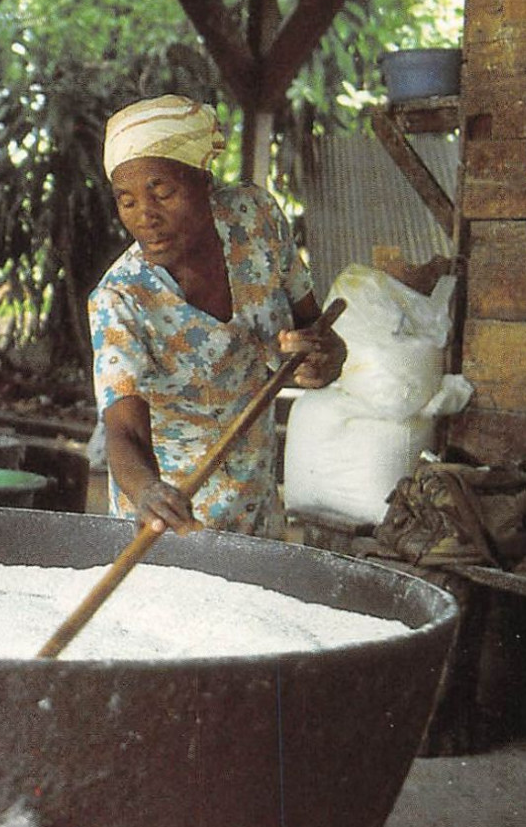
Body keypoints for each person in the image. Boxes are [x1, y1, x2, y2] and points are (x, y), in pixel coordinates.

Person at [88, 94, 345, 540]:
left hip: (257, 497)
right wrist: (148, 492)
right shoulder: (121, 299)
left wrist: (322, 359)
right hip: (172, 521)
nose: (145, 215)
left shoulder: (255, 218)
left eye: (162, 191)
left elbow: (316, 333)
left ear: (203, 180)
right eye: (126, 201)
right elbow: (123, 432)